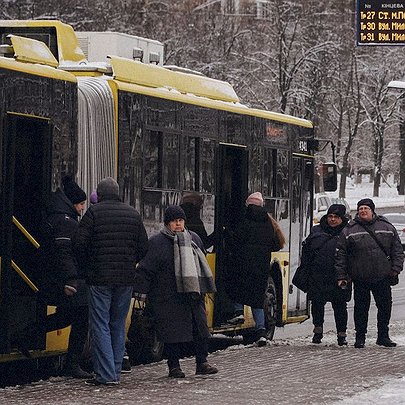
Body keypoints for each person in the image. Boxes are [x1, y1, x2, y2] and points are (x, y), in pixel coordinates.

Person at [73, 177, 148, 385]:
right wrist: (130, 262)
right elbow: (143, 247)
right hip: (125, 279)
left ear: (100, 193)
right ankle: (114, 371)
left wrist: (87, 266)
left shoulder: (93, 213)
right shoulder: (133, 213)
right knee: (117, 324)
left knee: (100, 324)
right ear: (118, 193)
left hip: (99, 278)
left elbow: (79, 244)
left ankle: (106, 375)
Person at [133, 205, 218, 378]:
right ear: (167, 223)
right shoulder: (156, 242)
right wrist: (141, 293)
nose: (178, 224)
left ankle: (202, 362)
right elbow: (146, 269)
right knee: (172, 333)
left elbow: (201, 263)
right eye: (174, 221)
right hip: (167, 295)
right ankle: (174, 366)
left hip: (193, 294)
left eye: (180, 221)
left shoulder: (194, 238)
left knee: (201, 329)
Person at [36, 175, 92, 379]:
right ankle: (72, 363)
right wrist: (72, 278)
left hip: (56, 277)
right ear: (73, 203)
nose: (82, 208)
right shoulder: (66, 222)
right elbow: (64, 252)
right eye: (81, 204)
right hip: (67, 280)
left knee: (68, 317)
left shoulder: (57, 216)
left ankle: (27, 335)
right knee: (78, 318)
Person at [335, 198, 404, 348]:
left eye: (366, 208)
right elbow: (341, 255)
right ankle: (360, 338)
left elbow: (397, 250)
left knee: (385, 307)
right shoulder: (349, 230)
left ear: (372, 211)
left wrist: (395, 269)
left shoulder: (386, 227)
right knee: (361, 309)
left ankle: (383, 336)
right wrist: (341, 275)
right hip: (360, 277)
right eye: (360, 209)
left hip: (383, 276)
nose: (363, 211)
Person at [225, 192, 283, 346]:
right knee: (257, 299)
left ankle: (238, 313)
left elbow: (236, 240)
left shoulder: (245, 221)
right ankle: (261, 332)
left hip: (243, 264)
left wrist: (226, 233)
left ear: (248, 205)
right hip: (262, 266)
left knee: (237, 288)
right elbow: (276, 244)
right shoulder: (269, 223)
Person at [300, 204, 350, 346]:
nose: (332, 219)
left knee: (340, 306)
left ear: (342, 218)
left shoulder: (347, 232)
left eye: (336, 217)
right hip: (318, 275)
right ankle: (317, 331)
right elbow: (307, 250)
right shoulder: (317, 230)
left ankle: (341, 334)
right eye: (330, 216)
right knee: (317, 304)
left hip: (339, 276)